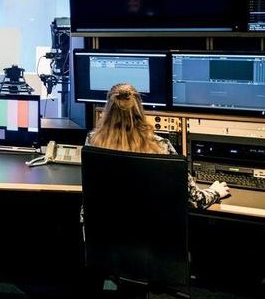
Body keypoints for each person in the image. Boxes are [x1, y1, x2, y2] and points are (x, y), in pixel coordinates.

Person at [87, 83, 229, 209]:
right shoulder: (161, 146)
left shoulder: (92, 141)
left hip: (100, 229)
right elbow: (195, 200)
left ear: (107, 111)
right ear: (140, 111)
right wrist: (215, 191)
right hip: (151, 230)